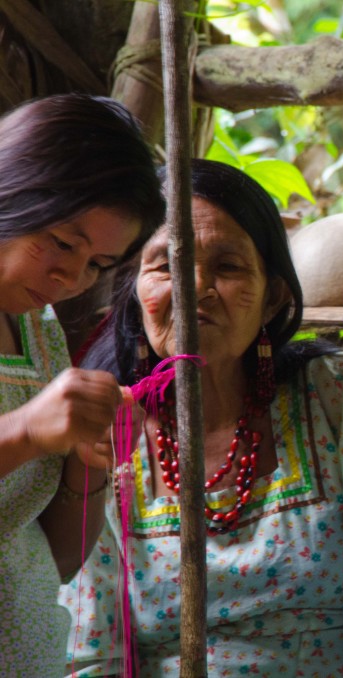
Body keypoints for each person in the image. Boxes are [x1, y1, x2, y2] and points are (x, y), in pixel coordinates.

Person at [61, 159, 343, 676]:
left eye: (229, 267)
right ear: (134, 288)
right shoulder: (107, 429)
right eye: (166, 265)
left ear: (273, 297)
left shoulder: (341, 395)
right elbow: (90, 653)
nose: (195, 288)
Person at [0, 93, 163, 676]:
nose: (71, 276)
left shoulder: (36, 329)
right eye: (64, 242)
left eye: (97, 264)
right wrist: (23, 431)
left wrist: (86, 465)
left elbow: (58, 559)